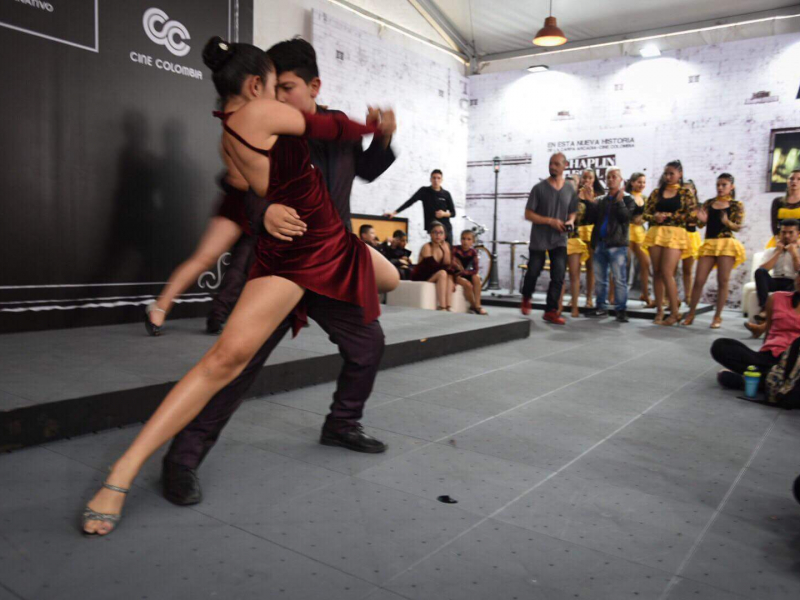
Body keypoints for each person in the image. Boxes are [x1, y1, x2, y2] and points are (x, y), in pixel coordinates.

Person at [81, 37, 401, 536]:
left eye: (289, 87)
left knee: (369, 342)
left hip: (333, 261)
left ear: (314, 86)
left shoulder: (318, 126)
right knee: (234, 365)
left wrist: (381, 136)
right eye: (276, 86)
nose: (282, 96)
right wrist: (267, 209)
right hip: (288, 260)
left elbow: (368, 168)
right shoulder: (261, 121)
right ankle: (180, 462)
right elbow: (243, 186)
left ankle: (342, 423)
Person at [143, 176, 271, 337]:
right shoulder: (241, 150)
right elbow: (237, 178)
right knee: (205, 258)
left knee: (242, 266)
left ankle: (217, 317)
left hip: (265, 208)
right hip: (241, 204)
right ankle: (160, 307)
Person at [712, 276, 800, 392]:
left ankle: (756, 380)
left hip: (795, 362)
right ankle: (770, 381)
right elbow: (768, 333)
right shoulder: (776, 298)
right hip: (769, 357)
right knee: (721, 346)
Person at [519, 153, 578, 325]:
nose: (552, 167)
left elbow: (573, 211)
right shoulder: (539, 188)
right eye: (550, 163)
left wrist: (571, 221)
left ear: (565, 165)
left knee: (558, 275)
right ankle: (526, 296)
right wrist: (550, 221)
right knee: (533, 271)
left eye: (556, 164)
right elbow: (528, 214)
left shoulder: (569, 189)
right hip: (539, 239)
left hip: (560, 239)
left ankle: (551, 311)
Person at [683, 174, 746, 328]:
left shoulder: (736, 204)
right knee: (699, 280)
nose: (720, 188)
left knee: (722, 281)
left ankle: (717, 317)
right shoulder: (709, 203)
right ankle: (691, 313)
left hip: (726, 244)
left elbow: (738, 226)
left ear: (732, 186)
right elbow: (699, 224)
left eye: (724, 185)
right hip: (710, 243)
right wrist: (701, 220)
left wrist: (727, 222)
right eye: (718, 184)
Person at [643, 160, 698, 326]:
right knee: (657, 272)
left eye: (671, 173)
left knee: (668, 272)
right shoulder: (656, 193)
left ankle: (675, 312)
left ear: (680, 174)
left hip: (676, 233)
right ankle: (659, 310)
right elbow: (646, 214)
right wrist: (655, 218)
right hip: (657, 233)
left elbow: (692, 215)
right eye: (666, 173)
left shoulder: (685, 193)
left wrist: (668, 216)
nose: (668, 177)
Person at [586, 168, 635, 322]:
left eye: (614, 177)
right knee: (600, 279)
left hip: (617, 244)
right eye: (608, 177)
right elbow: (591, 219)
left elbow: (626, 218)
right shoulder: (601, 200)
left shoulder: (628, 199)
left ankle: (621, 310)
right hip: (600, 243)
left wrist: (619, 201)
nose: (611, 179)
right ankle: (601, 307)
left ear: (621, 180)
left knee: (619, 279)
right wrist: (589, 202)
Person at [746, 220, 800, 335]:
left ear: (798, 233)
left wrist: (794, 253)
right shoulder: (772, 250)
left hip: (793, 282)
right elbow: (764, 269)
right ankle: (765, 308)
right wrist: (778, 252)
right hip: (775, 281)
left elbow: (798, 270)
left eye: (791, 232)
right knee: (760, 272)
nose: (786, 236)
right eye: (783, 232)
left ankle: (762, 325)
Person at [385, 170, 457, 244]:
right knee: (436, 251)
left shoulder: (446, 194)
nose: (436, 180)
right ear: (430, 179)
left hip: (446, 228)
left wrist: (444, 214)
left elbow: (454, 213)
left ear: (442, 180)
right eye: (434, 178)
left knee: (448, 252)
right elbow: (410, 201)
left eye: (438, 178)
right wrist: (394, 213)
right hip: (433, 227)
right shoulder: (424, 191)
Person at [576, 169, 605, 308]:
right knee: (575, 266)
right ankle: (574, 297)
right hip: (577, 233)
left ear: (594, 179)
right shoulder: (575, 193)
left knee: (590, 267)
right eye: (584, 177)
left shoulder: (599, 195)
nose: (587, 180)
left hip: (591, 231)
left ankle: (589, 298)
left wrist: (590, 198)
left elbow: (600, 214)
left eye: (590, 178)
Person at [412, 221, 457, 310]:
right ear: (430, 234)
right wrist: (440, 250)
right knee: (443, 273)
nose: (438, 235)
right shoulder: (427, 247)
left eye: (441, 233)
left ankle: (449, 306)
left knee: (449, 276)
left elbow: (449, 265)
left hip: (435, 275)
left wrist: (446, 251)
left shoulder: (446, 246)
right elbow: (431, 267)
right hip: (423, 276)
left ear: (445, 235)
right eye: (435, 232)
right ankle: (442, 306)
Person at [561, 189, 590, 318]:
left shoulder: (580, 205)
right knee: (559, 276)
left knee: (574, 274)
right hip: (558, 241)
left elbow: (577, 219)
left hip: (573, 240)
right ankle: (558, 306)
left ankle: (575, 307)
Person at [626, 172, 651, 307]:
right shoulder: (626, 197)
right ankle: (612, 295)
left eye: (643, 182)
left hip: (640, 233)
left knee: (645, 263)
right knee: (624, 263)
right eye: (639, 182)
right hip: (626, 231)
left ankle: (645, 294)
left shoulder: (645, 198)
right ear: (632, 182)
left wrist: (642, 219)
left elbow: (648, 214)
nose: (641, 185)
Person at [453, 229, 488, 315]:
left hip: (464, 272)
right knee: (467, 284)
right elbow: (452, 267)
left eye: (469, 239)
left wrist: (464, 272)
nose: (465, 242)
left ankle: (478, 304)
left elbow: (475, 270)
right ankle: (474, 306)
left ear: (473, 241)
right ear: (460, 240)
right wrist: (461, 272)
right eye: (463, 239)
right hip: (455, 274)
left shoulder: (473, 252)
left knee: (476, 277)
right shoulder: (455, 249)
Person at [679, 179, 702, 306]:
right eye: (684, 190)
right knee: (669, 270)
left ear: (694, 191)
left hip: (692, 237)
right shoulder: (679, 205)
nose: (686, 193)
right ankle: (667, 297)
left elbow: (701, 224)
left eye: (689, 190)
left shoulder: (699, 207)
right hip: (678, 235)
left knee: (687, 270)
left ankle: (688, 297)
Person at [767, 169, 800, 248]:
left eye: (799, 179)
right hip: (781, 238)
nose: (794, 181)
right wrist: (778, 240)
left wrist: (797, 242)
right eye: (792, 178)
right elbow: (774, 224)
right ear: (787, 181)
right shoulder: (777, 201)